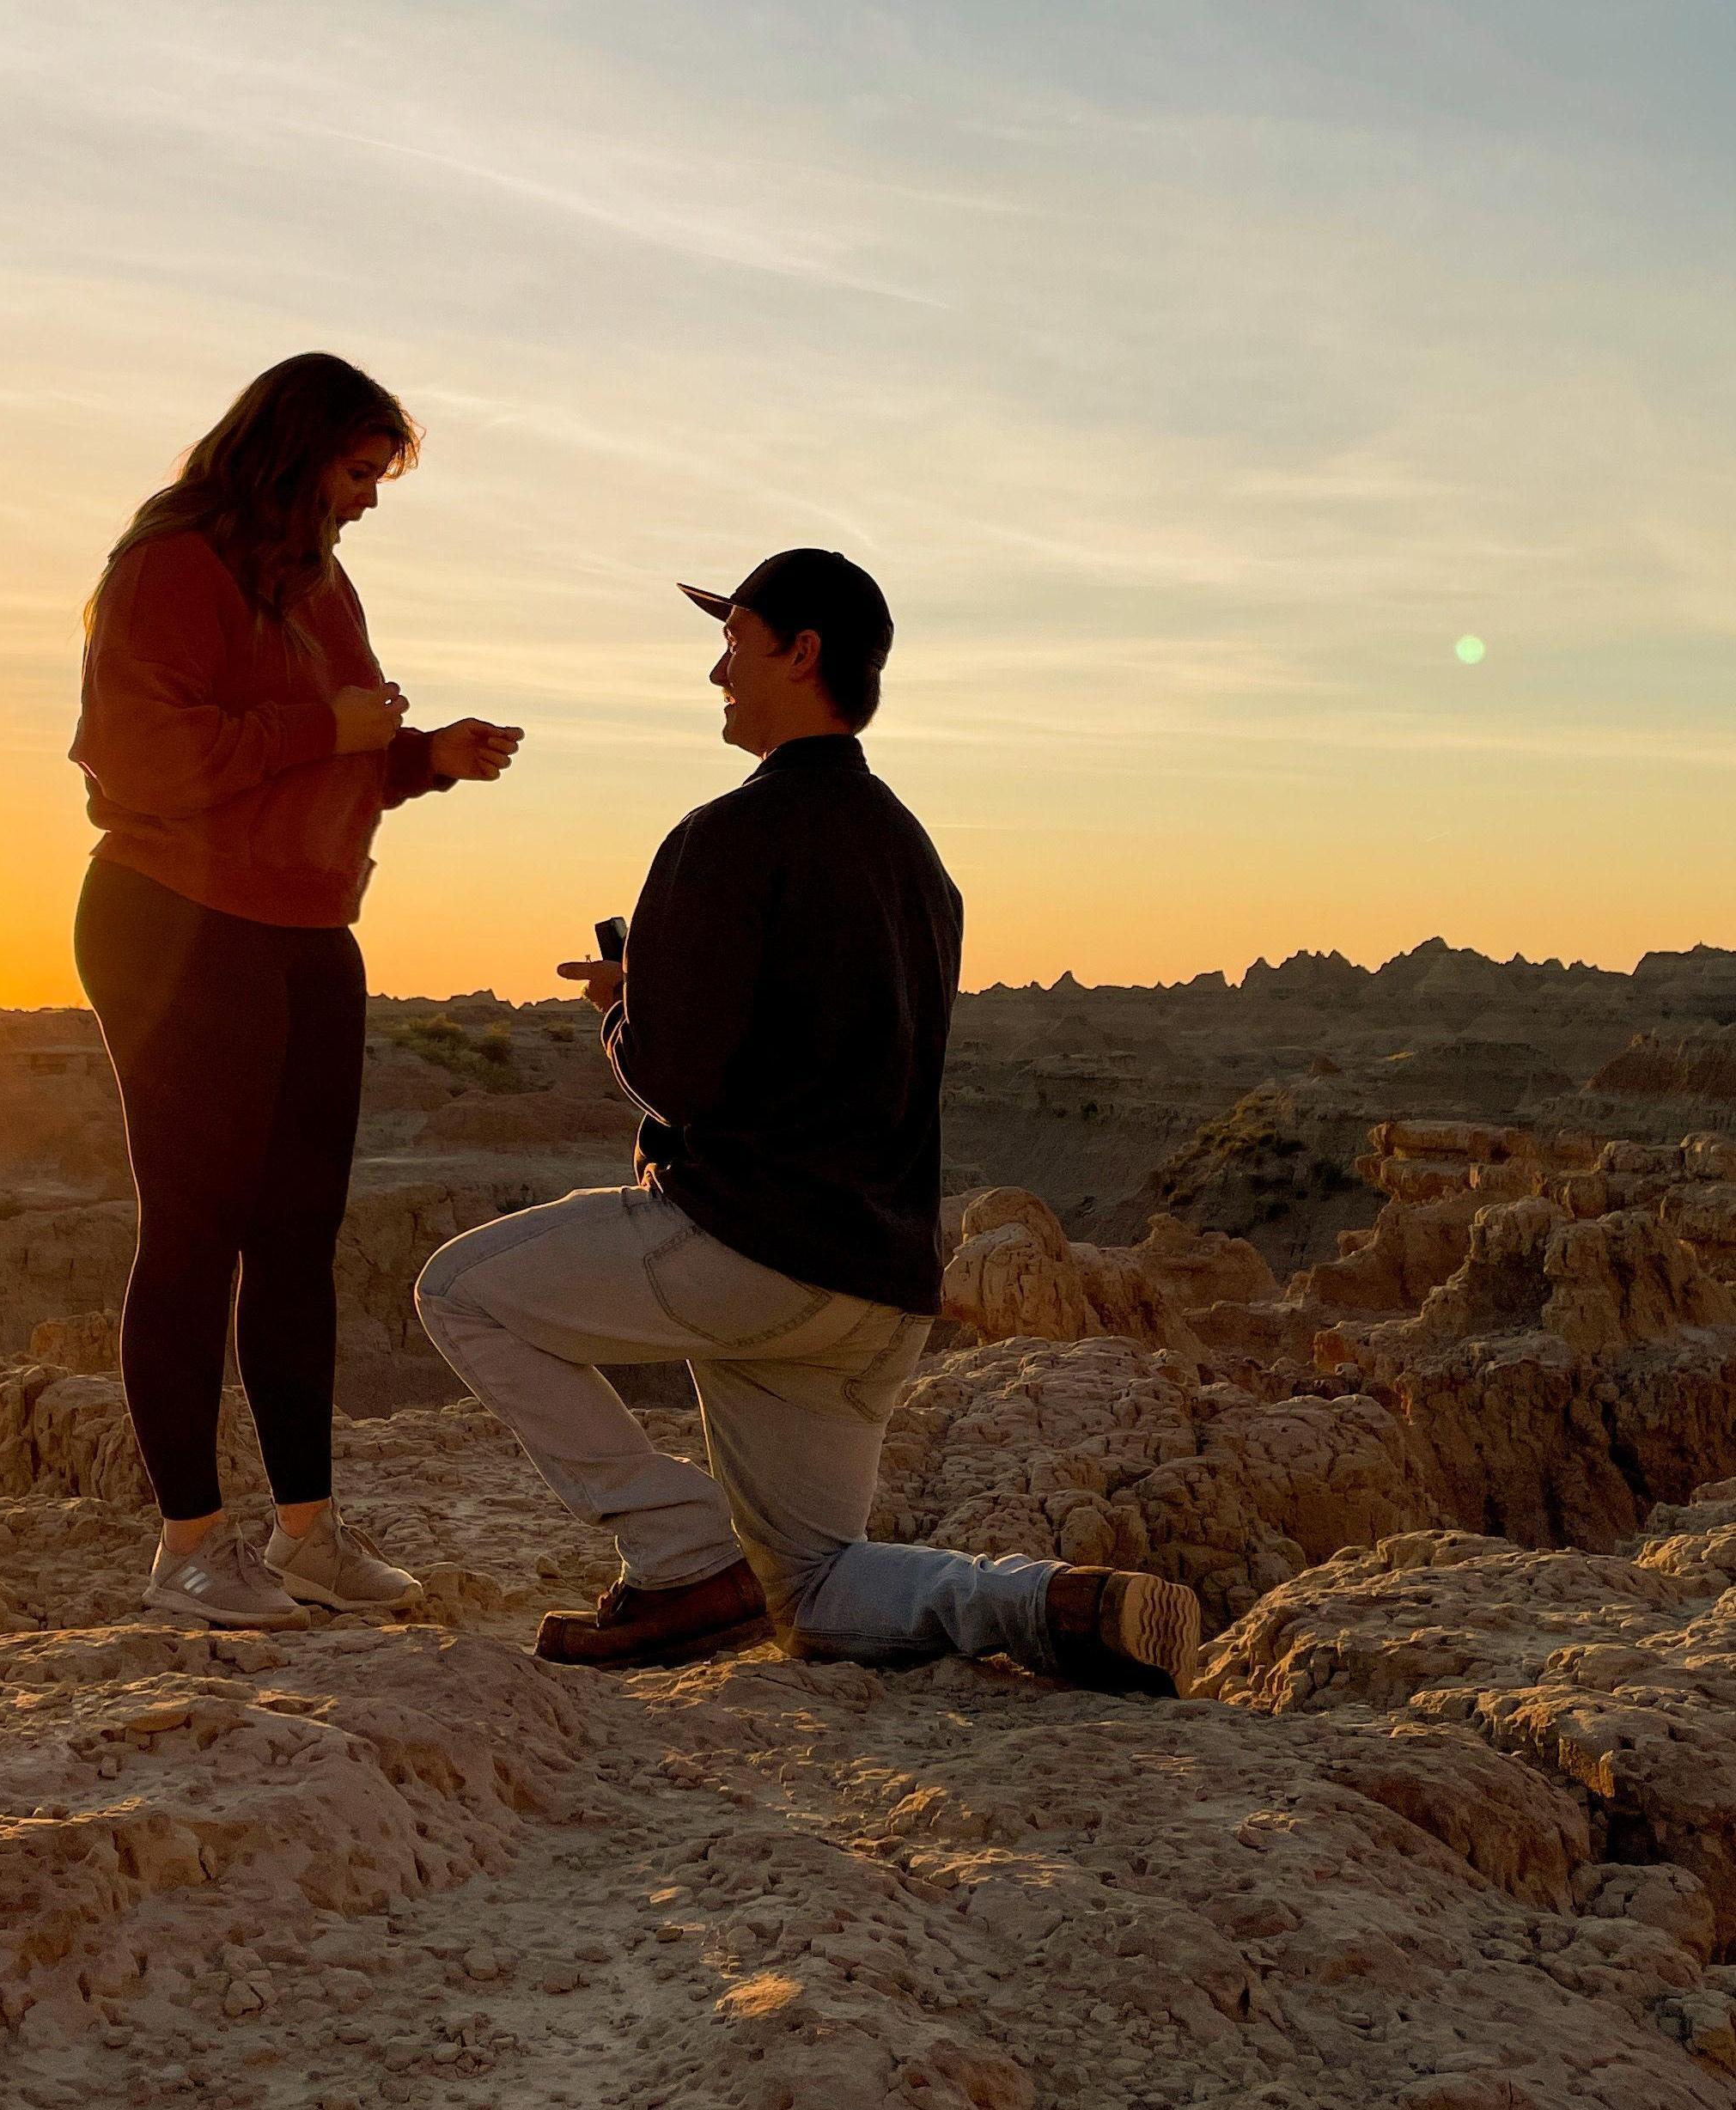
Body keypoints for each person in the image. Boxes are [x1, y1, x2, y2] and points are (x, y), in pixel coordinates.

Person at [415, 549, 1199, 1692]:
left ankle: (682, 1549)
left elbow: (681, 1079)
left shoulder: (726, 835)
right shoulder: (919, 860)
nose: (717, 672)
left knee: (459, 1292)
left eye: (735, 641)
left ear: (802, 652)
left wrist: (623, 1008)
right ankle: (1056, 1606)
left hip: (747, 1247)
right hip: (877, 1285)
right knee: (816, 1585)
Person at [73, 351, 525, 1630]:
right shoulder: (171, 565)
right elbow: (141, 758)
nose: (369, 501)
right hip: (177, 921)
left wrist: (423, 758)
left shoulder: (321, 580)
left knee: (297, 1244)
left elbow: (333, 764)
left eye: (379, 478)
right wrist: (331, 730)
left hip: (305, 928)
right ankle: (188, 1550)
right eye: (359, 471)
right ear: (294, 450)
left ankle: (308, 1535)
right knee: (191, 1235)